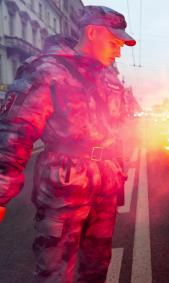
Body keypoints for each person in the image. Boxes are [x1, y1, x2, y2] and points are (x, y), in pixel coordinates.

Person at [0, 6, 138, 282]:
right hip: (63, 194)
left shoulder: (109, 77)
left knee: (96, 270)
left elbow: (121, 127)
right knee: (55, 274)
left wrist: (119, 169)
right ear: (92, 32)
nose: (118, 52)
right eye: (114, 43)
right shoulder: (47, 69)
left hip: (104, 193)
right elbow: (14, 135)